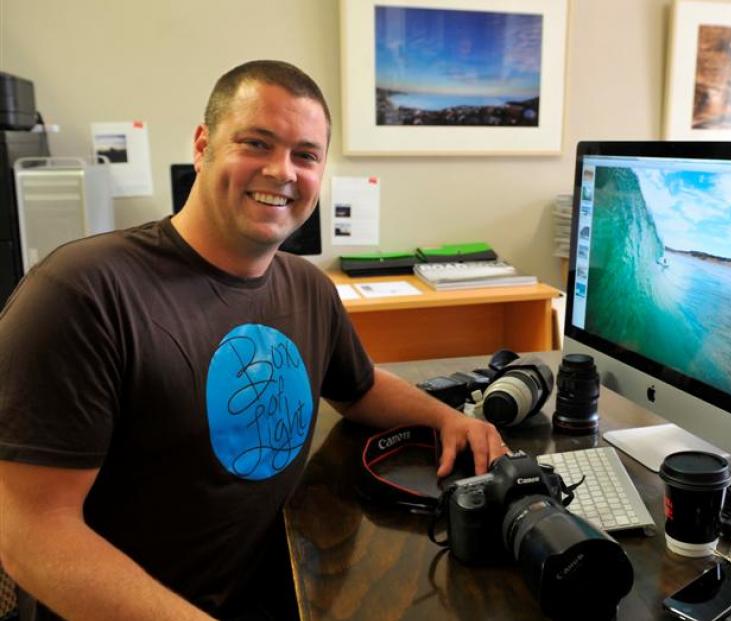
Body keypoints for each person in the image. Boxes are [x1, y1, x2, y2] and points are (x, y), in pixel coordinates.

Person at [0, 60, 507, 621]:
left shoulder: (308, 287)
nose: (281, 171)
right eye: (256, 143)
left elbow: (358, 388)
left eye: (306, 155)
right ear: (202, 145)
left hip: (282, 586)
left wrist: (448, 420)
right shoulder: (83, 292)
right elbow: (30, 532)